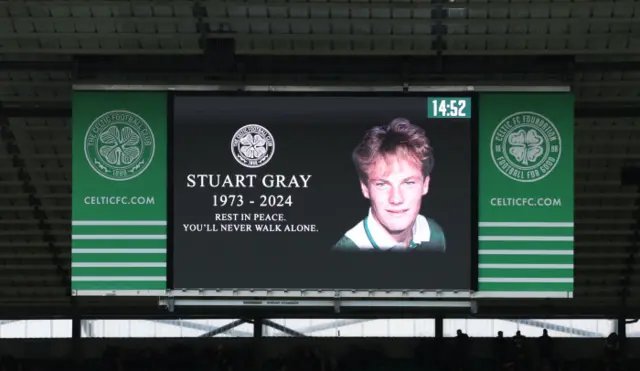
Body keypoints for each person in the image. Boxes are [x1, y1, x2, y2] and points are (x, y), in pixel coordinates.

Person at [333, 118, 446, 251]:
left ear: (425, 185)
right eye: (382, 184)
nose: (396, 199)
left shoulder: (434, 233)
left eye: (408, 183)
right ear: (365, 189)